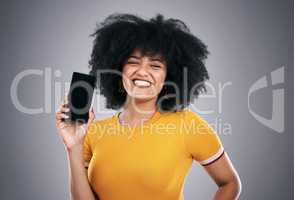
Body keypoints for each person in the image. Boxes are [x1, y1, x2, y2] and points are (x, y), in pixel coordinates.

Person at [56, 13, 241, 200]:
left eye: (155, 66)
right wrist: (73, 147)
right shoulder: (93, 132)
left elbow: (230, 183)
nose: (142, 71)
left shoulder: (188, 125)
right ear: (119, 70)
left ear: (168, 77)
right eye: (133, 62)